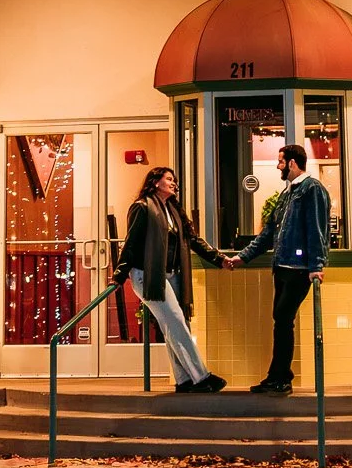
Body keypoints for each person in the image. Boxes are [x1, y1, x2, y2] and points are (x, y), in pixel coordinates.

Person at [112, 167, 231, 394]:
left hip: (172, 274)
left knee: (174, 326)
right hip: (148, 275)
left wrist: (219, 259)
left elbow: (193, 240)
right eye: (169, 179)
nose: (174, 183)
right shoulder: (143, 207)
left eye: (174, 180)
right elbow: (131, 242)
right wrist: (119, 275)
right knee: (176, 321)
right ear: (155, 182)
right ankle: (201, 377)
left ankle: (183, 379)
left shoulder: (173, 210)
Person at [236, 143, 330, 395]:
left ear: (291, 163)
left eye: (280, 162)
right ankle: (278, 375)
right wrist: (242, 257)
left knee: (283, 319)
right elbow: (268, 233)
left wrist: (316, 266)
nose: (278, 166)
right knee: (281, 321)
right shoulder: (287, 194)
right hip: (282, 267)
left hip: (299, 269)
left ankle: (281, 377)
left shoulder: (312, 190)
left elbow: (317, 229)